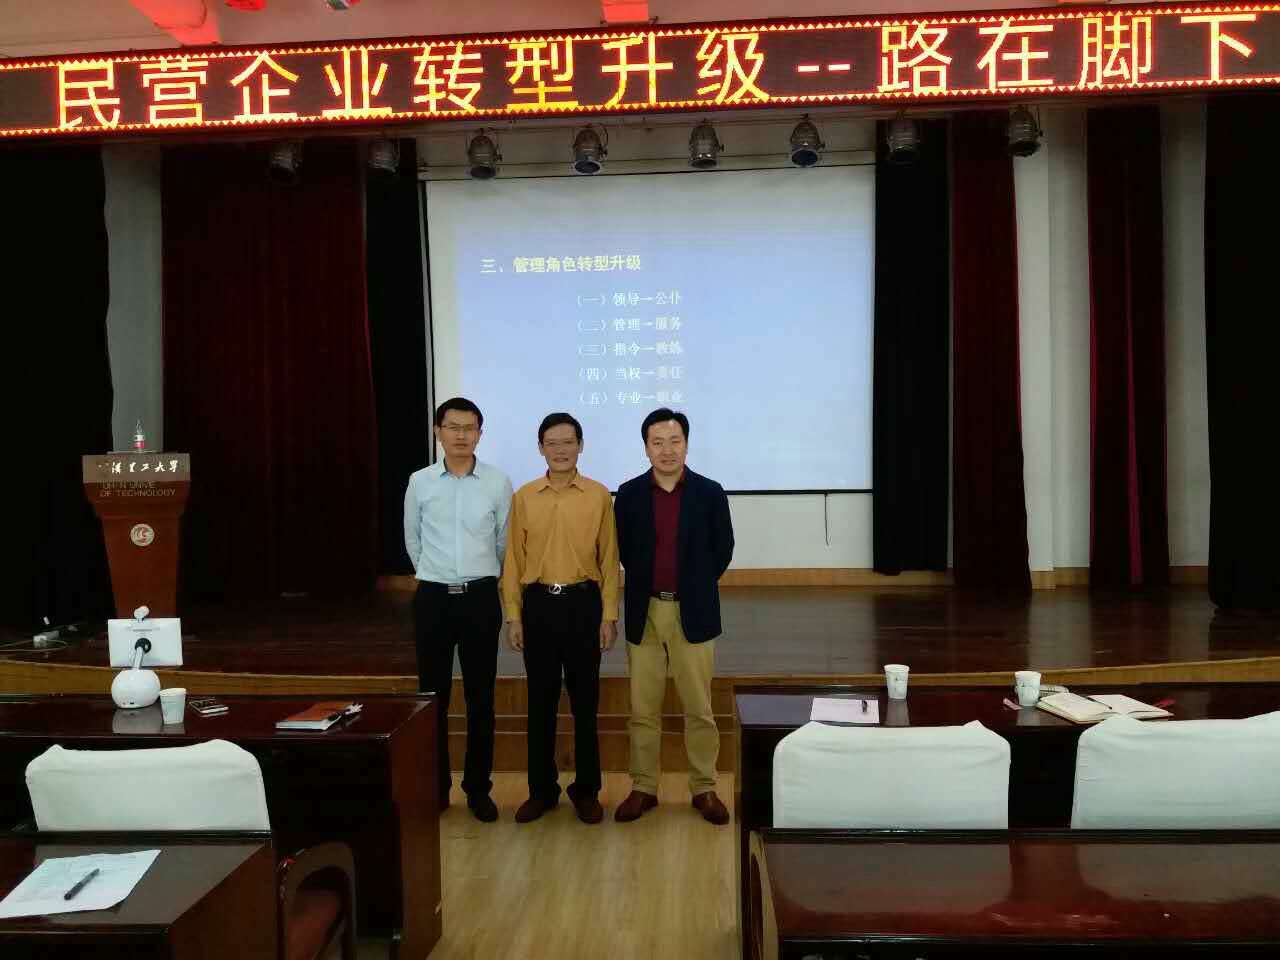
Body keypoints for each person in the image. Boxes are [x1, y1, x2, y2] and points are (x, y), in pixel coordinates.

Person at [613, 408, 734, 824]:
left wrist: (694, 586)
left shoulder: (710, 492)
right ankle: (643, 787)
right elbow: (624, 551)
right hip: (645, 611)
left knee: (699, 707)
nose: (667, 450)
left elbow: (723, 550)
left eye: (675, 441)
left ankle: (704, 788)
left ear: (686, 443)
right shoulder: (629, 494)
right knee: (642, 709)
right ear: (646, 447)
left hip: (693, 611)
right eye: (657, 442)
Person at [501, 413, 619, 824]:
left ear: (580, 446)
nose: (560, 450)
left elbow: (610, 559)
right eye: (552, 443)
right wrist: (513, 616)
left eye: (568, 442)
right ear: (540, 448)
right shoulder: (524, 497)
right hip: (538, 606)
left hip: (584, 605)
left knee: (586, 705)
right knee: (541, 704)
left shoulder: (599, 495)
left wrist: (609, 615)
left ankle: (587, 791)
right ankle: (542, 791)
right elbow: (513, 561)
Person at [405, 397, 512, 823]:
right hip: (432, 598)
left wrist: (479, 576)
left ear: (480, 434)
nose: (461, 435)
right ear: (438, 432)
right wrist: (434, 574)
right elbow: (413, 539)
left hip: (480, 598)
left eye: (470, 428)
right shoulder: (420, 482)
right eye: (453, 427)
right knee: (433, 697)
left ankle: (478, 789)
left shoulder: (497, 483)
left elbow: (502, 541)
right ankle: (435, 788)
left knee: (480, 697)